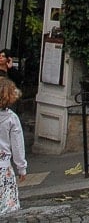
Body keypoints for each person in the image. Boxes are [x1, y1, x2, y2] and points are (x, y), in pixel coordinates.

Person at [0, 77, 27, 215]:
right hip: (3, 169)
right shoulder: (11, 118)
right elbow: (17, 146)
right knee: (7, 209)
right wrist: (21, 168)